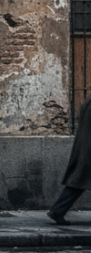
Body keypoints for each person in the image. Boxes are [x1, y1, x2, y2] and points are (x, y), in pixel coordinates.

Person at [47, 94, 91, 225]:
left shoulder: (88, 100)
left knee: (78, 182)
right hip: (88, 149)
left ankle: (58, 210)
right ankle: (57, 210)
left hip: (86, 147)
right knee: (78, 182)